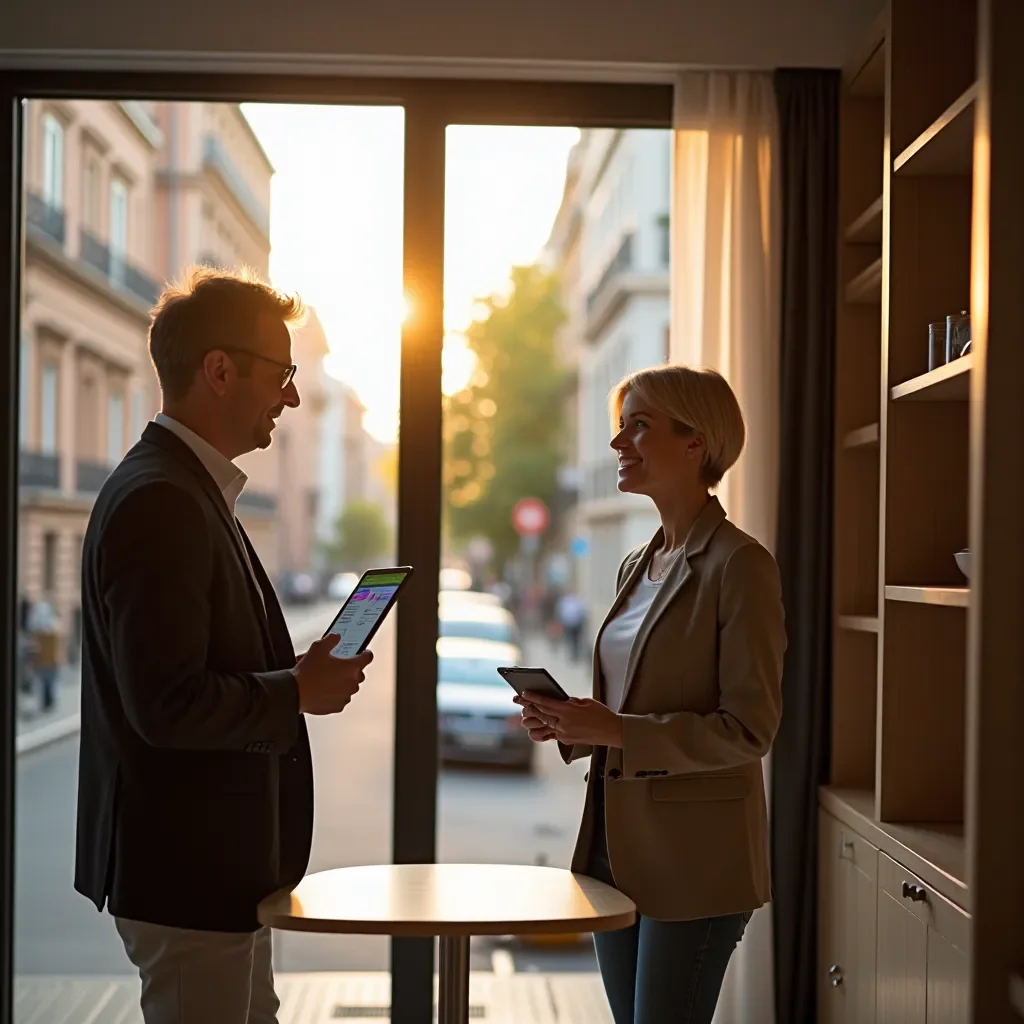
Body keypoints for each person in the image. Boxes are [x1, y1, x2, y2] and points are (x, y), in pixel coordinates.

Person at [75, 266, 373, 1024]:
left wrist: (292, 672)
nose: (294, 397)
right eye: (283, 375)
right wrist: (296, 691)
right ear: (218, 371)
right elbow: (167, 704)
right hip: (187, 878)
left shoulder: (188, 491)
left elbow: (195, 668)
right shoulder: (162, 502)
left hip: (217, 877)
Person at [516, 364, 785, 1024]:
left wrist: (614, 731)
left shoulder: (740, 565)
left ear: (697, 443)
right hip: (616, 847)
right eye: (620, 426)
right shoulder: (636, 564)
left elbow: (750, 728)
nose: (618, 443)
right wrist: (573, 725)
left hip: (696, 864)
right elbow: (631, 703)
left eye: (639, 426)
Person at [556, 590, 587, 662]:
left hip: (574, 624)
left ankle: (574, 654)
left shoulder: (576, 601)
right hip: (570, 624)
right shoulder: (566, 601)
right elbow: (561, 612)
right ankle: (572, 654)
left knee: (574, 640)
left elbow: (581, 612)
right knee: (571, 639)